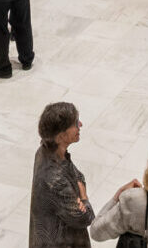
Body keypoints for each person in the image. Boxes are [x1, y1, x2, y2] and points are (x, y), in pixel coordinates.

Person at [31, 101, 93, 248]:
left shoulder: (45, 150)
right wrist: (84, 199)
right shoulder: (55, 180)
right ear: (60, 137)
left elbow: (79, 177)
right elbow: (85, 218)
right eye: (75, 123)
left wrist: (77, 192)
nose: (80, 125)